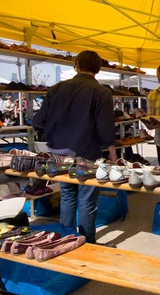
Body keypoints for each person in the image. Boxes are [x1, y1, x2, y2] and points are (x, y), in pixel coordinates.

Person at [32, 50, 117, 244]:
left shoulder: (56, 89)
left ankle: (67, 238)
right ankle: (87, 242)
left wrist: (56, 130)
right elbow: (104, 126)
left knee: (67, 195)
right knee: (87, 199)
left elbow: (38, 122)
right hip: (87, 153)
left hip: (58, 155)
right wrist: (111, 149)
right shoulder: (102, 92)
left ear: (77, 65)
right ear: (98, 68)